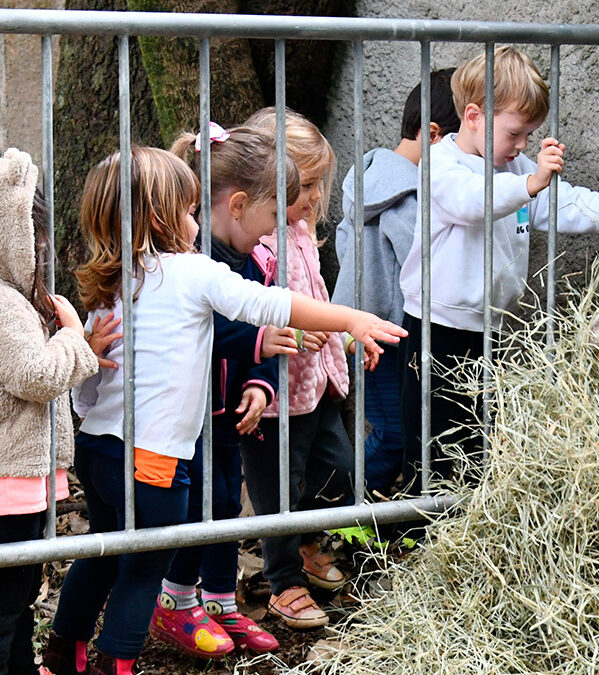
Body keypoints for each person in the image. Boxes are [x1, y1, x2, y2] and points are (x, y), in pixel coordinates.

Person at [41, 145, 405, 675]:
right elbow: (269, 305)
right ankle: (114, 665)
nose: (197, 222)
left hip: (98, 450)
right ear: (167, 219)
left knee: (102, 553)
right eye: (190, 211)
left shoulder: (111, 285)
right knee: (144, 570)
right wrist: (349, 318)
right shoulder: (193, 272)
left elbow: (89, 392)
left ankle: (63, 652)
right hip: (154, 460)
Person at [396, 46, 599, 501]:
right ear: (473, 116)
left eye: (530, 134)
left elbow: (567, 202)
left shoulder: (515, 168)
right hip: (436, 329)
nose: (523, 145)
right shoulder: (441, 165)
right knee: (429, 446)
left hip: (489, 326)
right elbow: (472, 202)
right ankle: (414, 542)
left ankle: (466, 531)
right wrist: (530, 184)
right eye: (515, 132)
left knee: (476, 442)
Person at [147, 124, 304, 659]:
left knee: (222, 503)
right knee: (189, 505)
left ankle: (219, 601)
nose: (273, 232)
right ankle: (174, 603)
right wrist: (261, 340)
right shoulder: (188, 260)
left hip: (229, 412)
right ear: (238, 205)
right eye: (270, 218)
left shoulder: (258, 261)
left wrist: (261, 385)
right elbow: (209, 329)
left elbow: (266, 345)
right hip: (184, 412)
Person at [0, 148, 114, 675]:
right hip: (10, 486)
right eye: (37, 238)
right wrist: (74, 338)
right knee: (5, 605)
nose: (44, 250)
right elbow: (36, 376)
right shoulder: (5, 304)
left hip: (18, 484)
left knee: (18, 600)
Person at [242, 107, 355, 630]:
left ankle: (311, 544)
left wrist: (342, 337)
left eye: (317, 184)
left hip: (318, 382)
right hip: (274, 395)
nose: (312, 196)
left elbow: (315, 295)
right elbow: (250, 311)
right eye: (303, 184)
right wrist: (278, 337)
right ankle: (284, 580)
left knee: (338, 470)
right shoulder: (257, 241)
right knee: (278, 491)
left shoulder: (303, 231)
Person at [331, 68, 460, 500]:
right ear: (435, 135)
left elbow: (343, 244)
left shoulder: (366, 179)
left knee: (393, 429)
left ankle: (351, 511)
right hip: (386, 333)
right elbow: (424, 261)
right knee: (396, 434)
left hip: (362, 326)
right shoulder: (410, 195)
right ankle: (339, 507)